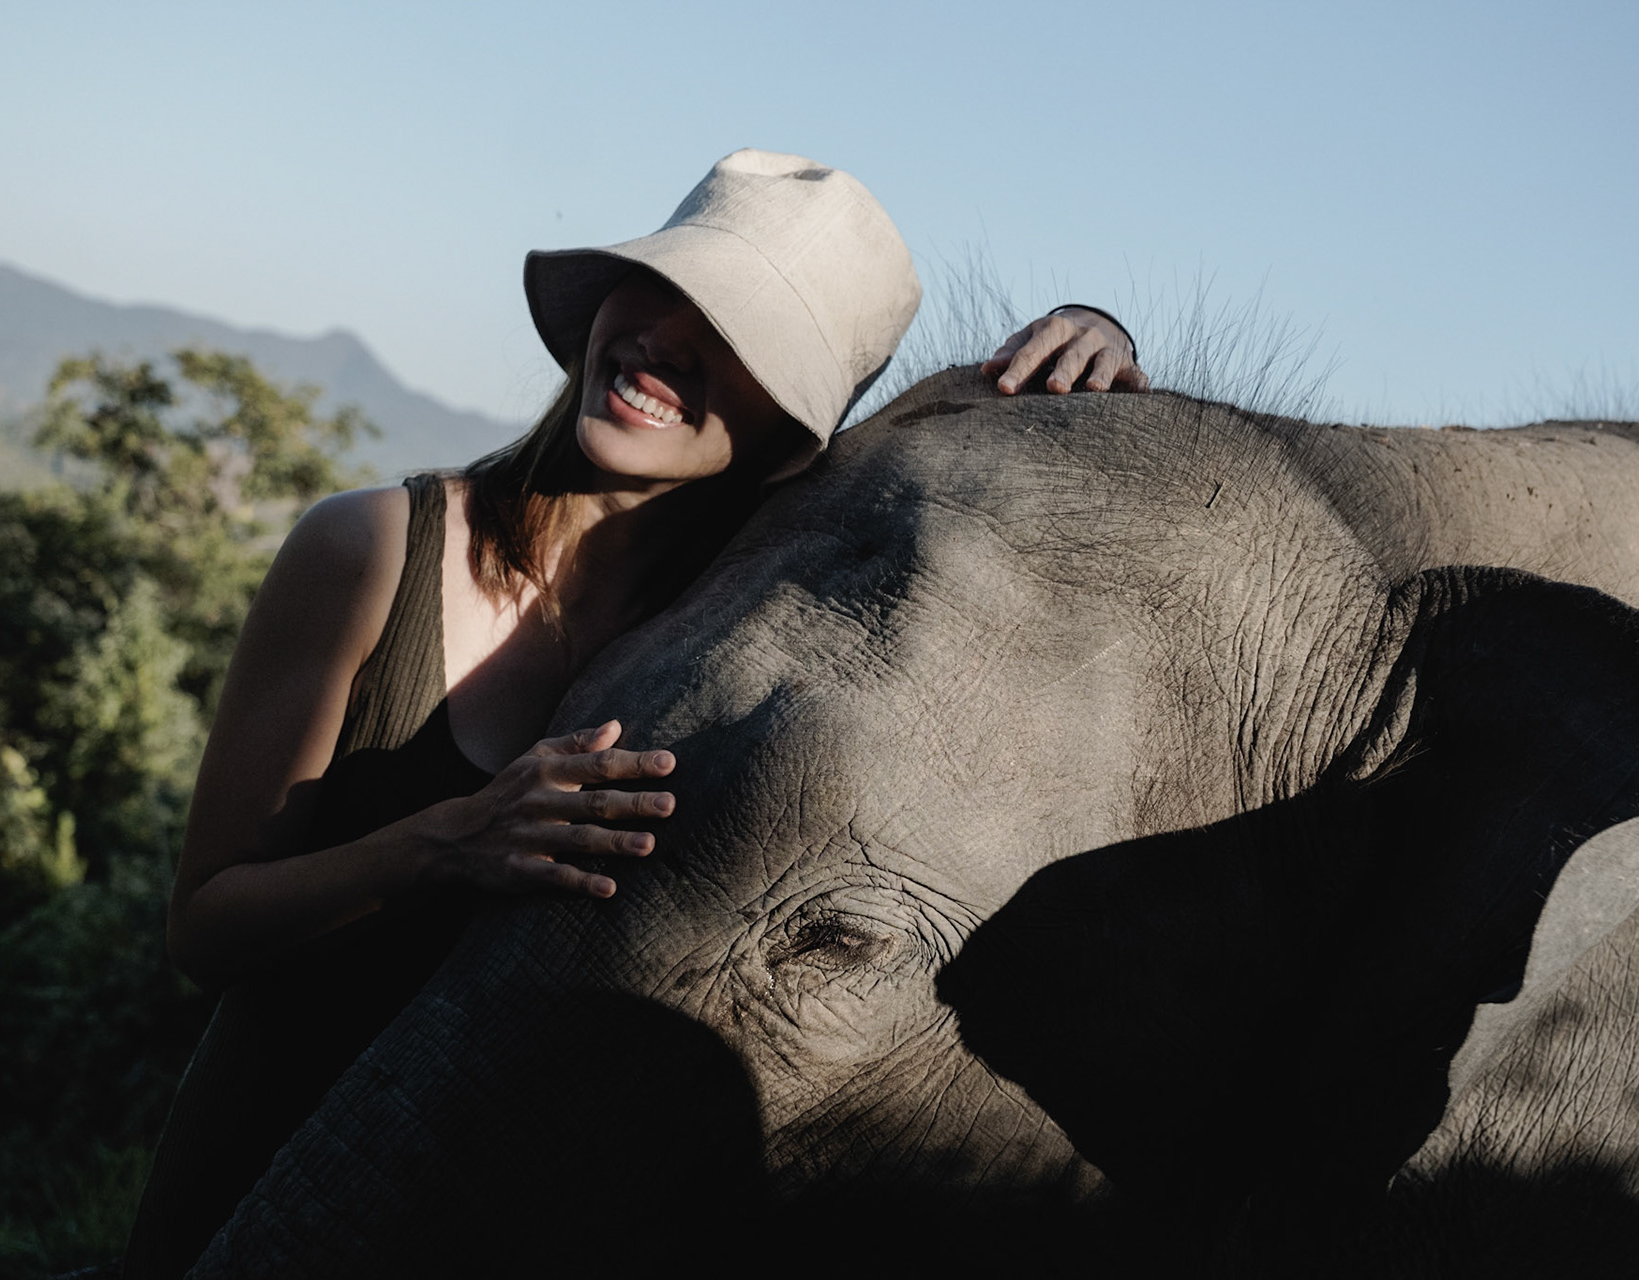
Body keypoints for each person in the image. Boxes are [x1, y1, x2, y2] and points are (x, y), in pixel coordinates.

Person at [124, 149, 1144, 1274]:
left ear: (785, 430)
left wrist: (1088, 332)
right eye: (663, 286)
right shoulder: (370, 550)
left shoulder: (728, 641)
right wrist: (445, 843)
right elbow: (204, 926)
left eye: (737, 334)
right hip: (258, 1209)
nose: (668, 337)